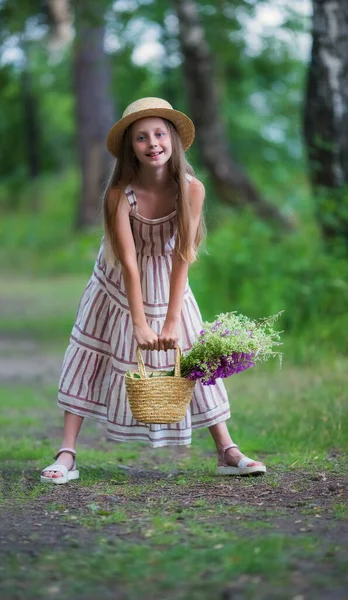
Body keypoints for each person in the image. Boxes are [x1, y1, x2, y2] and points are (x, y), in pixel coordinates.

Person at [41, 97, 266, 484]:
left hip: (169, 276)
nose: (153, 143)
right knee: (91, 352)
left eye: (160, 134)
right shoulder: (120, 194)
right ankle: (67, 452)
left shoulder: (191, 190)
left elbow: (183, 254)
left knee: (194, 356)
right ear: (132, 147)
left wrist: (172, 319)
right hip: (116, 282)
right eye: (142, 137)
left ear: (174, 140)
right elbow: (128, 261)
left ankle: (227, 450)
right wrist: (141, 324)